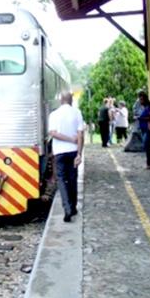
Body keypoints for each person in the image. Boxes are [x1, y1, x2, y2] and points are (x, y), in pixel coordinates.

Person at [48, 91, 85, 223]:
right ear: (71, 101)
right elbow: (80, 135)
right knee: (73, 179)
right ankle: (73, 207)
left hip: (59, 153)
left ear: (60, 100)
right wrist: (79, 153)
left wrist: (67, 139)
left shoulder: (54, 114)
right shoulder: (77, 113)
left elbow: (53, 133)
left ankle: (67, 208)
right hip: (73, 152)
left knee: (62, 181)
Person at [137, 91, 150, 169]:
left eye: (141, 99)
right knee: (146, 146)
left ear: (145, 99)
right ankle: (149, 163)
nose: (140, 101)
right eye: (139, 99)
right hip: (145, 129)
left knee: (147, 145)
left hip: (149, 129)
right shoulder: (145, 108)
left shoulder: (149, 107)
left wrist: (141, 118)